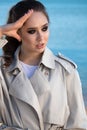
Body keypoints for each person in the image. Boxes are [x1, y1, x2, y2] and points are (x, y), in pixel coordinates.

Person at [0, 0, 87, 130]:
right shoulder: (3, 70)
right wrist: (1, 31)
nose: (41, 38)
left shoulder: (66, 71)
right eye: (32, 31)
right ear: (17, 32)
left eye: (44, 28)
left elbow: (78, 125)